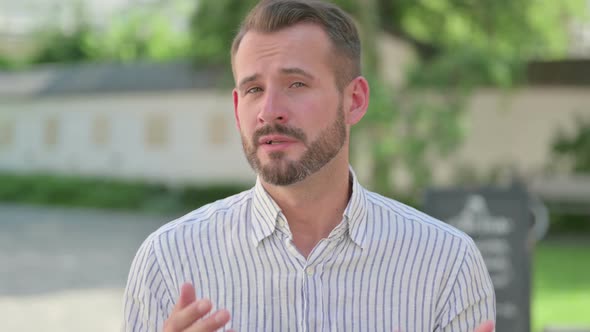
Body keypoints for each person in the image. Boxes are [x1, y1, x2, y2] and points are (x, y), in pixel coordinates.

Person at [123, 0, 496, 331]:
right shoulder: (167, 261)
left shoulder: (447, 265)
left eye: (296, 84)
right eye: (254, 90)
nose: (269, 111)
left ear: (355, 100)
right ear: (237, 108)